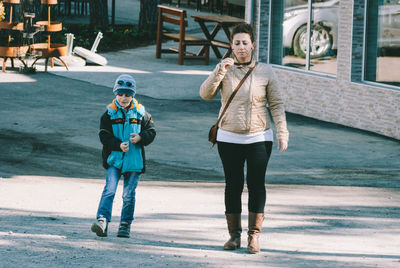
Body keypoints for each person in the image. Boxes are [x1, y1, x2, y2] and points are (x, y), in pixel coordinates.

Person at [200, 23, 289, 254]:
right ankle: (234, 236)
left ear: (253, 45)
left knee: (256, 184)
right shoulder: (224, 69)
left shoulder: (265, 71)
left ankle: (254, 236)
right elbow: (205, 94)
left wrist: (282, 131)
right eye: (236, 43)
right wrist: (219, 70)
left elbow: (277, 104)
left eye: (245, 43)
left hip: (259, 137)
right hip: (229, 137)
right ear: (231, 45)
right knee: (233, 185)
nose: (241, 47)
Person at [91, 74, 156, 238]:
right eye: (120, 94)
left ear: (133, 95)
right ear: (115, 94)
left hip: (134, 161)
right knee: (109, 190)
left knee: (128, 195)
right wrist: (118, 145)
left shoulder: (142, 113)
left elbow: (151, 132)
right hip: (114, 159)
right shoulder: (108, 114)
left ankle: (125, 225)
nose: (124, 98)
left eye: (127, 95)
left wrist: (141, 137)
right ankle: (102, 221)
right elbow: (103, 136)